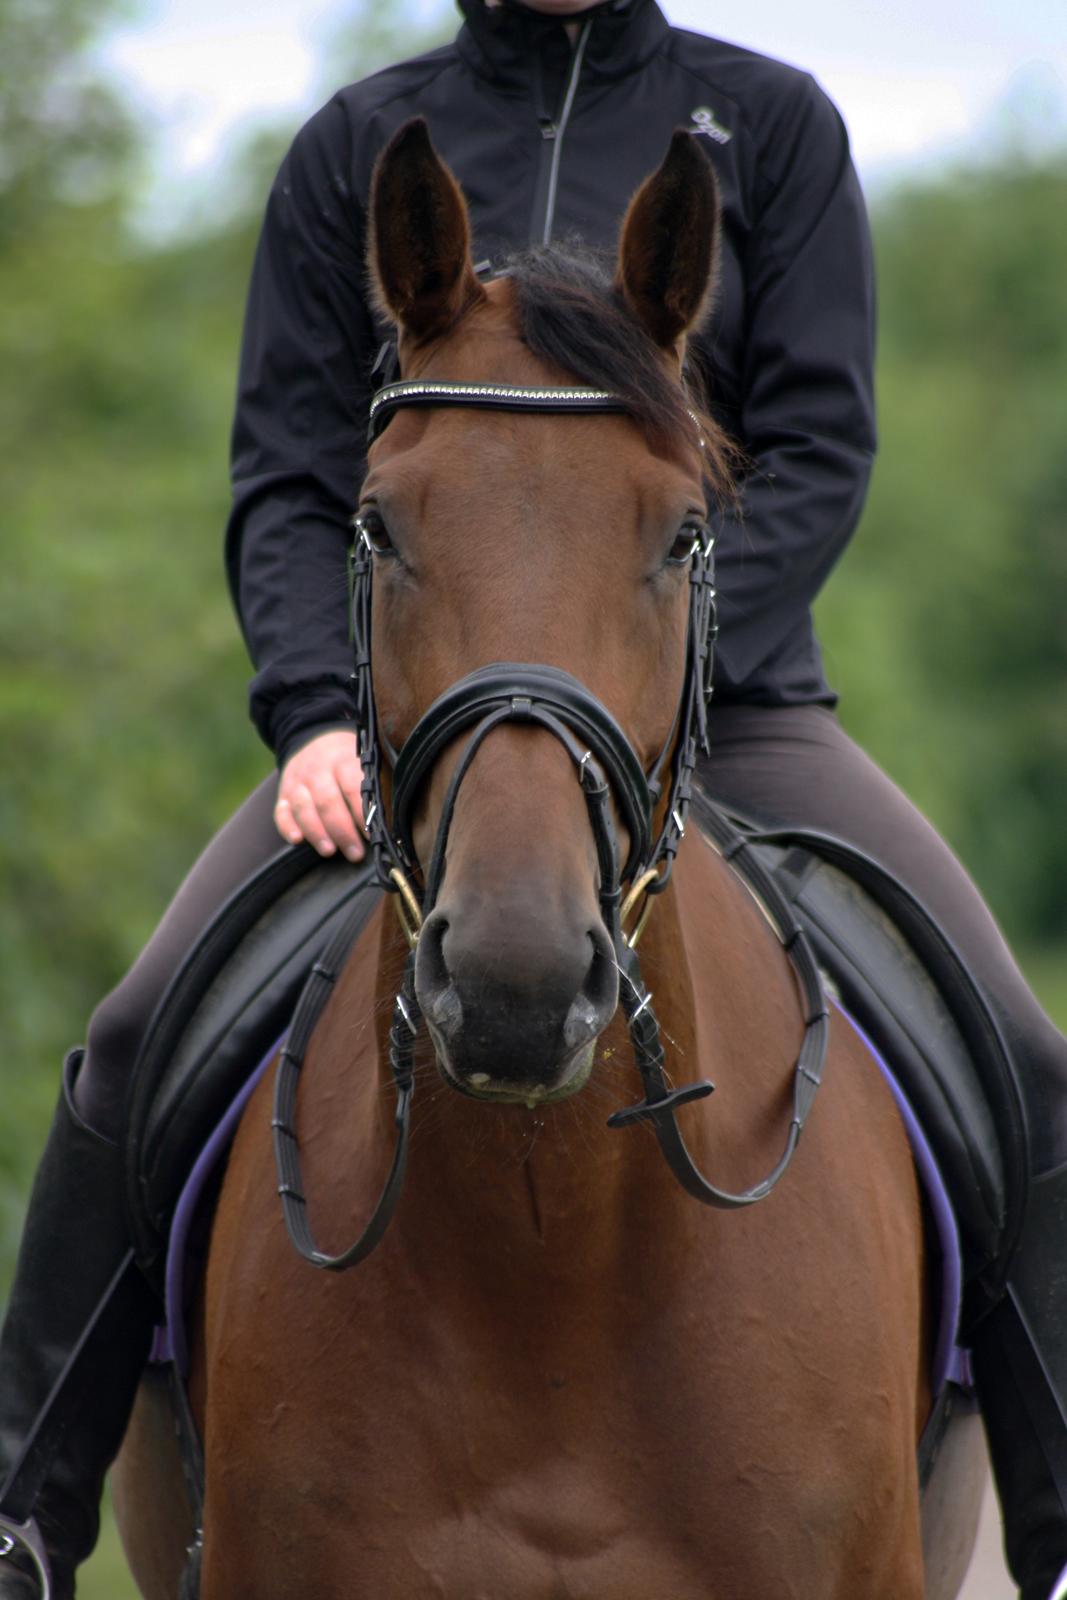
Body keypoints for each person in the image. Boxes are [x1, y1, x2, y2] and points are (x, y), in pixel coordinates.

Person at [1, 1, 1065, 1596]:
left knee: (1025, 1062)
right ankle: (23, 1512)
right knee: (141, 1037)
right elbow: (291, 478)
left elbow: (823, 450)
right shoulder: (361, 144)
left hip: (728, 703)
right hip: (407, 733)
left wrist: (670, 684)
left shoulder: (768, 130)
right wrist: (312, 716)